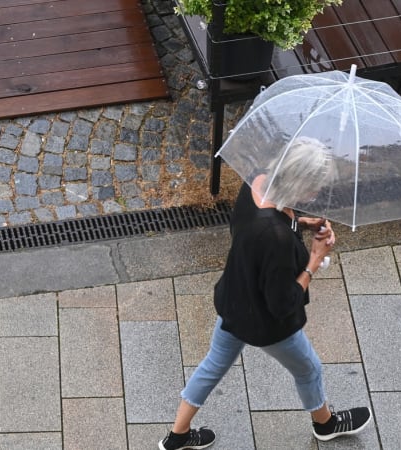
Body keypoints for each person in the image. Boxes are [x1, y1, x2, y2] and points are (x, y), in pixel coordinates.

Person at [159, 137, 372, 450]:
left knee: (213, 366)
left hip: (235, 300)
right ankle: (325, 424)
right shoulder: (276, 239)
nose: (316, 194)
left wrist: (302, 221)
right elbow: (283, 302)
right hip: (266, 323)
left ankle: (177, 435)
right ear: (299, 182)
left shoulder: (255, 182)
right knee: (309, 368)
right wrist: (313, 260)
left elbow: (266, 222)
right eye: (314, 187)